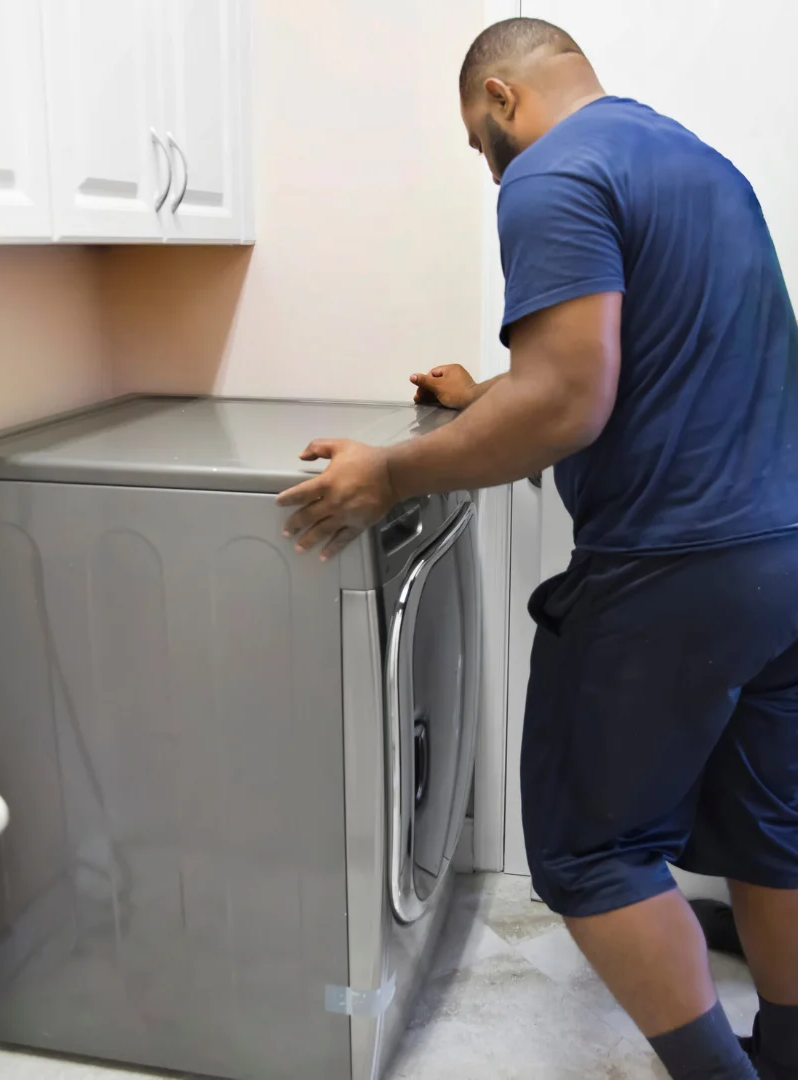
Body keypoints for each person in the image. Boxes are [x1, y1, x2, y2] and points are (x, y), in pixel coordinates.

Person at [278, 18, 798, 1080]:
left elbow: (567, 400)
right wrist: (486, 397)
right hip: (781, 559)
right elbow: (640, 360)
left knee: (592, 852)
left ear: (502, 98)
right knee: (772, 827)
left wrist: (390, 473)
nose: (489, 167)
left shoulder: (552, 171)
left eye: (480, 143)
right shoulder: (703, 166)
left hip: (671, 561)